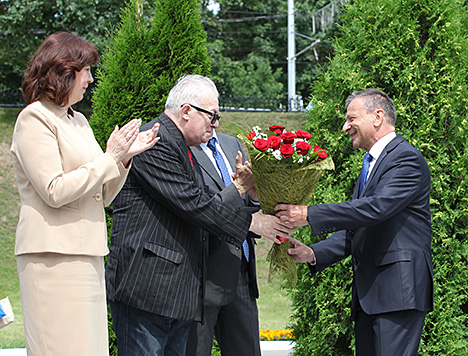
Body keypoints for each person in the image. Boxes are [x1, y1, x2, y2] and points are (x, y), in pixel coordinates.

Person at [106, 74, 292, 356]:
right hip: (148, 290)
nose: (215, 125)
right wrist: (252, 221)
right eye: (211, 116)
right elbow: (194, 204)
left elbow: (201, 203)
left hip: (177, 292)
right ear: (186, 111)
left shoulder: (181, 144)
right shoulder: (154, 140)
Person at [10, 32, 159, 356]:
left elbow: (102, 194)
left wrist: (124, 159)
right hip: (52, 259)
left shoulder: (78, 122)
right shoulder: (34, 118)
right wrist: (110, 157)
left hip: (87, 254)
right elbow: (54, 190)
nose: (91, 79)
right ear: (64, 71)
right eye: (86, 70)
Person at [275, 89, 433, 356]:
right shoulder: (371, 163)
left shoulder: (406, 159)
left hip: (397, 294)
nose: (345, 126)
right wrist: (315, 253)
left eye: (351, 118)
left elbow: (375, 208)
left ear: (377, 117)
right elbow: (360, 226)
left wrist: (309, 214)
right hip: (372, 297)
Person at [185, 128, 262, 356]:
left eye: (215, 113)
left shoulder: (231, 144)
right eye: (209, 112)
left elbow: (246, 201)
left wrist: (256, 196)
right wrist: (237, 188)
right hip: (204, 274)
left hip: (242, 271)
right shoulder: (185, 147)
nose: (213, 120)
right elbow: (199, 208)